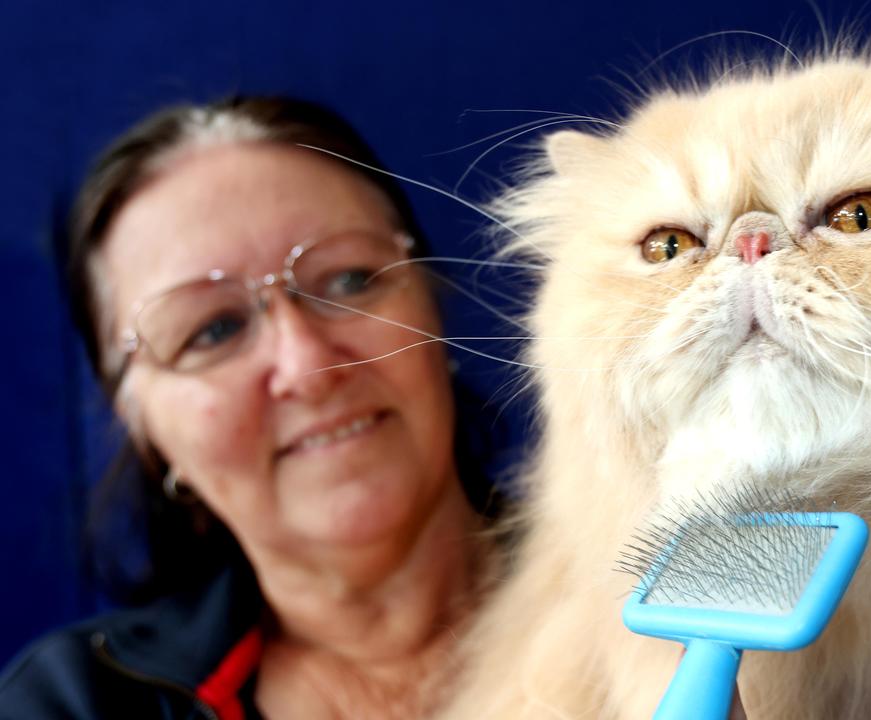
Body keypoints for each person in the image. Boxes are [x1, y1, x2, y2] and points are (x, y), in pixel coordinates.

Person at [0, 96, 498, 719]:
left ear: (430, 305)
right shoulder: (69, 706)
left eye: (347, 280)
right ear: (145, 427)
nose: (309, 367)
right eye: (212, 330)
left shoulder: (642, 600)